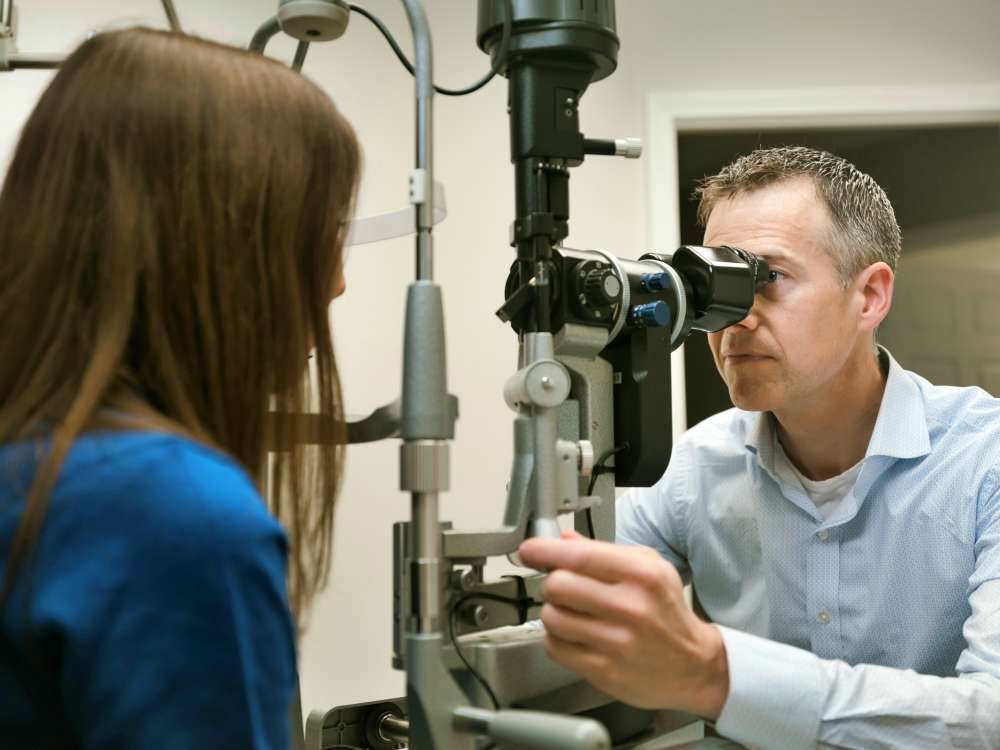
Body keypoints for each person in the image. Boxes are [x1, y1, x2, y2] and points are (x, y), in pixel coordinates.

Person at [520, 147, 1000, 749]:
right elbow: (567, 620)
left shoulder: (986, 460)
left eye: (767, 279)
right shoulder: (696, 467)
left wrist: (716, 675)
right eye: (714, 285)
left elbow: (991, 717)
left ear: (870, 296)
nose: (733, 319)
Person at [0, 28, 359, 749]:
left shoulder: (30, 464)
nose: (336, 282)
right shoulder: (175, 518)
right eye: (322, 235)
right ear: (225, 249)